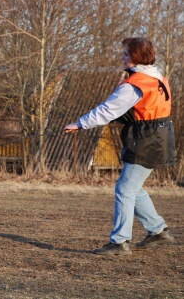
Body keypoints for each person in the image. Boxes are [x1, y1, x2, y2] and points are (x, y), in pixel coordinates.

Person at [64, 37, 176, 256]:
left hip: (147, 140)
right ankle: (158, 231)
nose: (122, 57)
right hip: (158, 137)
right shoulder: (157, 78)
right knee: (132, 187)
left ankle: (120, 242)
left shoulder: (136, 84)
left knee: (125, 189)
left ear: (135, 57)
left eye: (125, 53)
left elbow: (107, 110)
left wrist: (80, 124)